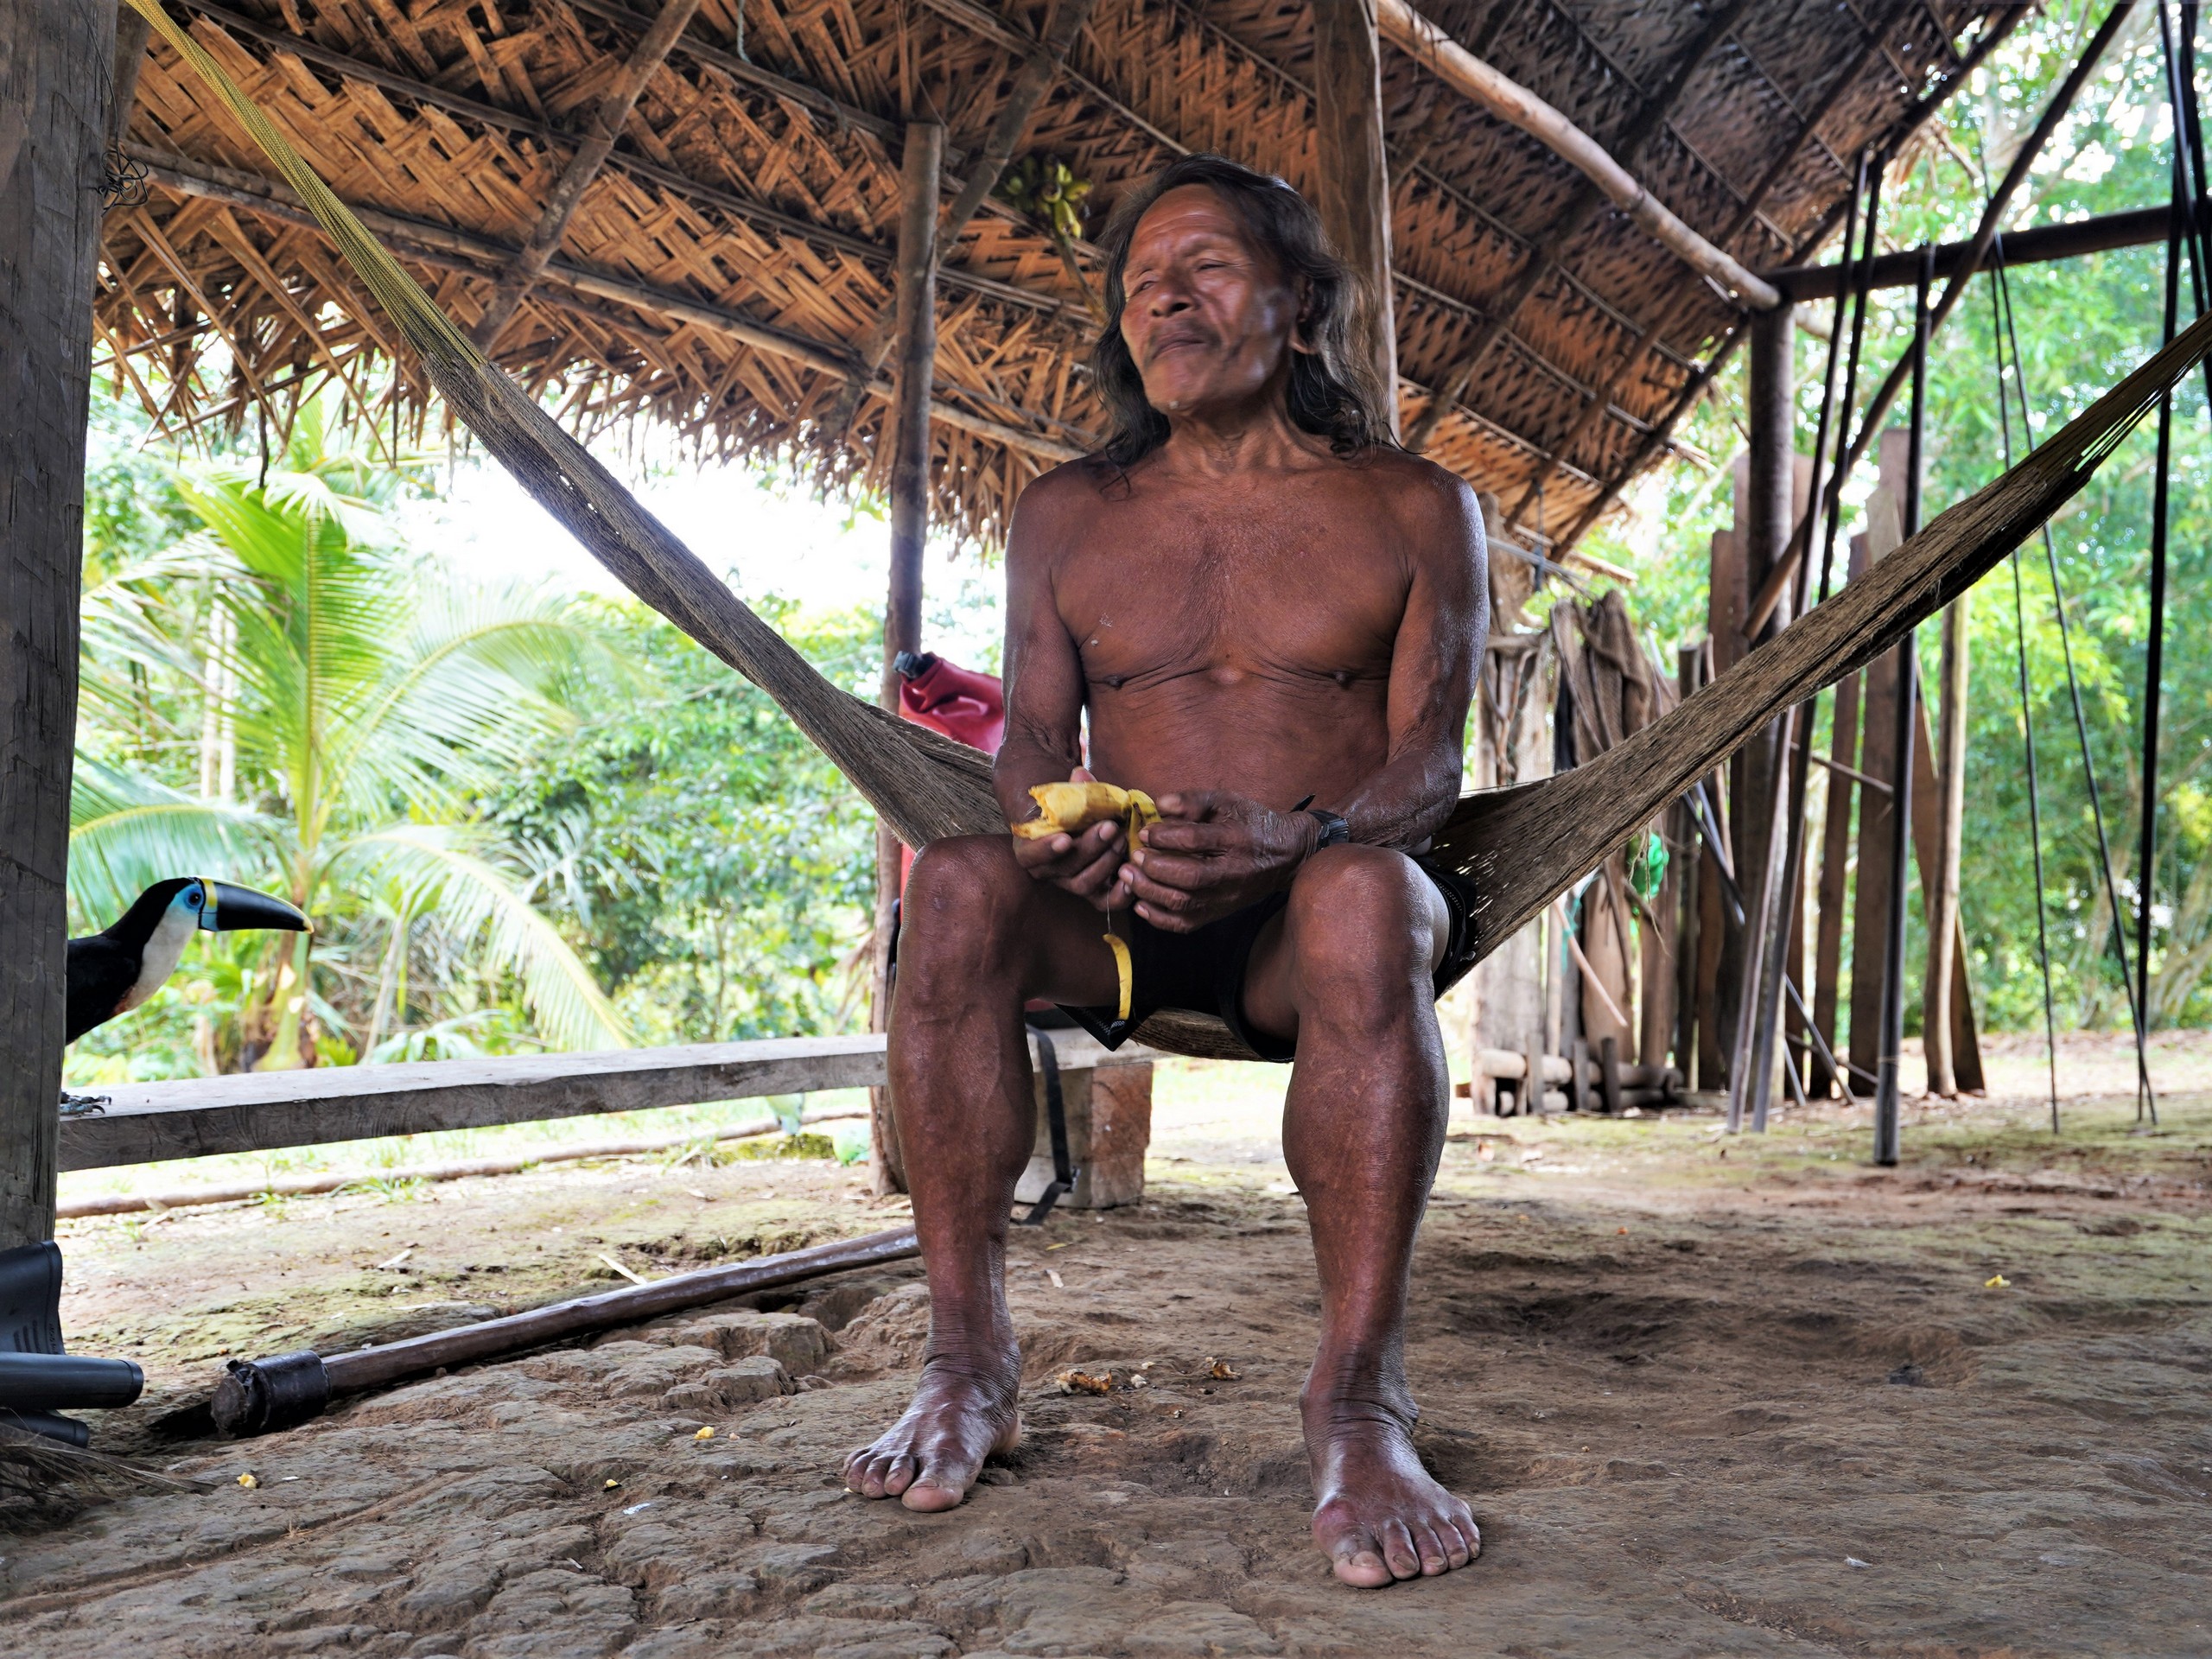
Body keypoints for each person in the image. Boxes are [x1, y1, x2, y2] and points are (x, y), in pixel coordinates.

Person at [843, 154, 1491, 1589]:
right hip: (1115, 919)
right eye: (1141, 282)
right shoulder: (1067, 513)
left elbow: (1430, 772)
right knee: (950, 884)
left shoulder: (1413, 509)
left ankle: (1357, 1400)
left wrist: (1306, 839)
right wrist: (1051, 830)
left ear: (1301, 306)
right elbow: (1030, 740)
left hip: (1304, 923)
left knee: (1371, 898)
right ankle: (967, 1361)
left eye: (1201, 266)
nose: (1162, 300)